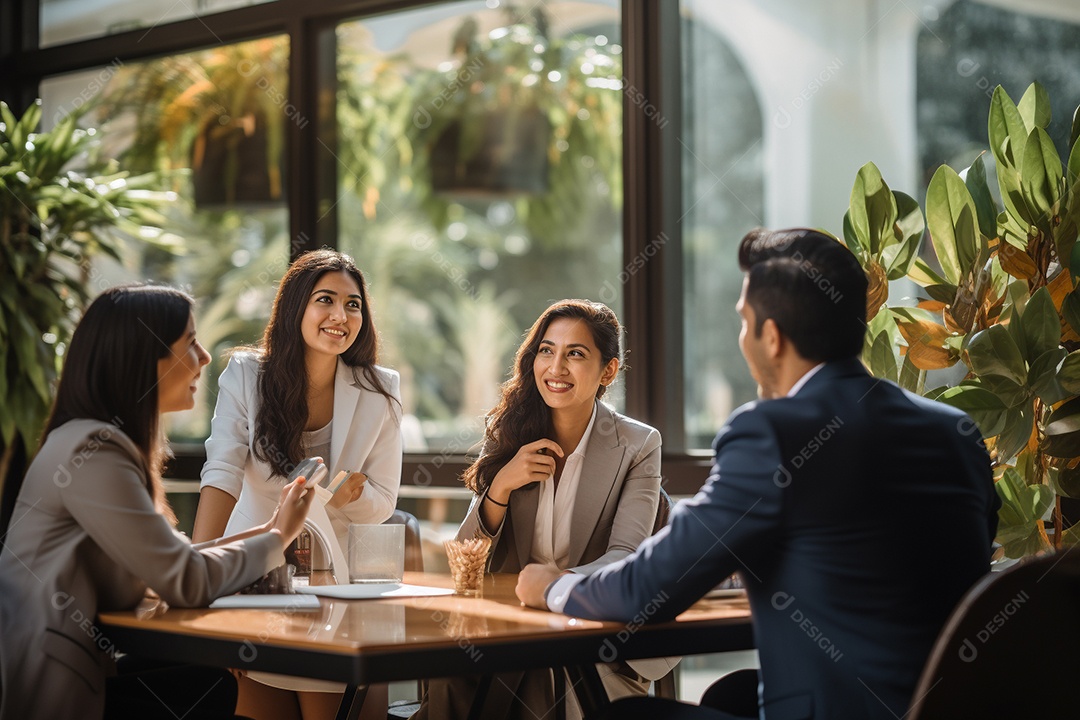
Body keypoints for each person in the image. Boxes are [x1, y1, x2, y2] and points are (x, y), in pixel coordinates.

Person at [517, 229, 1000, 719]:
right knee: (734, 695)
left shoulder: (772, 432)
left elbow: (649, 590)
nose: (742, 338)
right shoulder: (956, 430)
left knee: (626, 715)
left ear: (772, 338)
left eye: (744, 323)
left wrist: (553, 587)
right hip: (946, 706)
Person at [0, 284, 314, 720]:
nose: (205, 357)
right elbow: (183, 580)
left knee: (208, 679)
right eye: (190, 343)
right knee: (210, 685)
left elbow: (171, 562)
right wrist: (280, 536)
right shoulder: (92, 452)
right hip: (54, 693)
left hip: (82, 670)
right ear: (144, 359)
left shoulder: (95, 443)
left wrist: (269, 531)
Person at [417, 299, 668, 720]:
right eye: (547, 351)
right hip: (512, 627)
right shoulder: (511, 429)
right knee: (451, 670)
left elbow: (626, 556)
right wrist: (501, 486)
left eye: (576, 354)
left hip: (593, 630)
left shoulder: (638, 445)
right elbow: (464, 558)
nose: (556, 368)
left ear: (608, 371)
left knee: (541, 673)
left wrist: (555, 587)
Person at [192, 249, 402, 720]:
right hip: (254, 583)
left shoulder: (381, 389)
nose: (340, 315)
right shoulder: (247, 375)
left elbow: (384, 501)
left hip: (334, 590)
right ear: (295, 309)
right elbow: (221, 472)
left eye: (353, 305)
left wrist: (349, 498)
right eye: (324, 300)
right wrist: (200, 577)